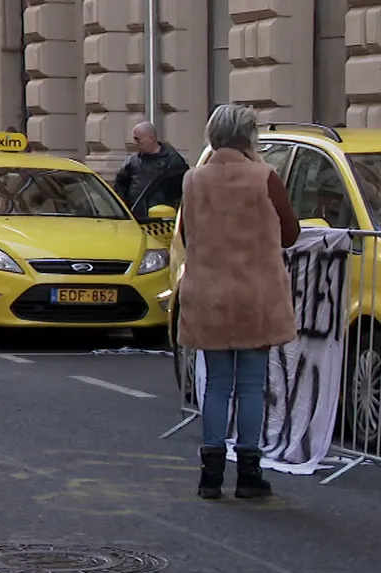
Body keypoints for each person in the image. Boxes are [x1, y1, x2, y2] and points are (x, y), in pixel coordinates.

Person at [176, 103, 301, 500]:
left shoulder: (193, 180)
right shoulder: (264, 176)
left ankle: (209, 474)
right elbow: (290, 233)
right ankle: (249, 472)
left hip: (208, 293)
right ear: (249, 135)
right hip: (255, 294)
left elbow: (184, 233)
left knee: (216, 385)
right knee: (250, 386)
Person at [113, 121, 189, 217]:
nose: (135, 143)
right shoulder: (132, 162)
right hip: (136, 219)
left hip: (163, 220)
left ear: (151, 138)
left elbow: (183, 193)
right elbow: (120, 187)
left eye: (138, 139)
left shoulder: (173, 162)